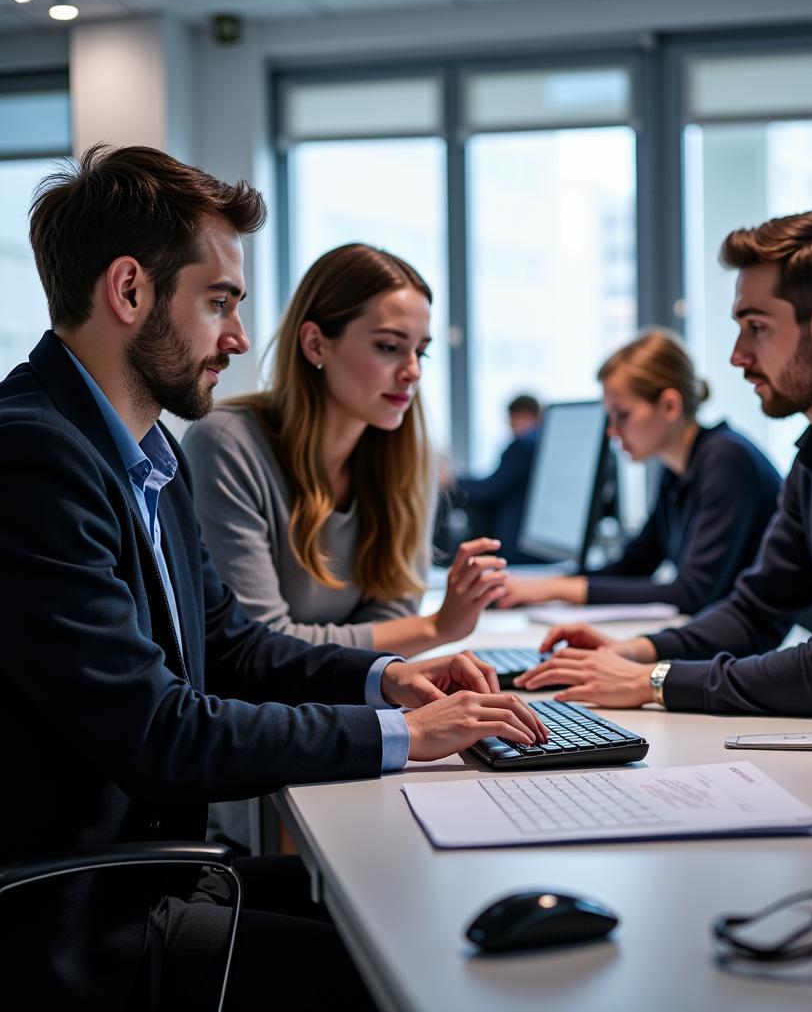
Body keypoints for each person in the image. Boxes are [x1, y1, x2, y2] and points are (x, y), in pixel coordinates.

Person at [0, 144, 545, 1010]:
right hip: (81, 923)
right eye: (219, 302)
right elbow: (161, 733)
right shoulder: (33, 456)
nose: (240, 337)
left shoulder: (146, 455)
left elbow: (232, 643)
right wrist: (406, 738)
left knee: (428, 911)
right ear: (130, 290)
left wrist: (390, 680)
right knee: (406, 978)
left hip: (150, 882)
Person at [516, 209, 812, 719]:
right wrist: (635, 652)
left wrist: (654, 682)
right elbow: (753, 612)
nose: (737, 356)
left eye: (756, 328)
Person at [183, 244, 507, 660]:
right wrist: (435, 628)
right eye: (389, 347)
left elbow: (393, 612)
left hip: (351, 697)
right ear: (316, 344)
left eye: (420, 350)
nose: (413, 371)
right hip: (263, 712)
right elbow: (258, 646)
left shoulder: (409, 458)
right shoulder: (226, 444)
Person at [497, 331, 781, 612]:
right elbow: (637, 563)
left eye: (623, 415)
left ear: (670, 405)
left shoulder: (727, 460)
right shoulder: (676, 470)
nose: (612, 431)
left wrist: (555, 589)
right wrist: (544, 587)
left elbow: (693, 592)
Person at [450, 393, 543, 564]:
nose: (511, 426)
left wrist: (453, 481)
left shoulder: (523, 445)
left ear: (524, 415)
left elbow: (489, 488)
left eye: (513, 420)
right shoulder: (545, 440)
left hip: (518, 541)